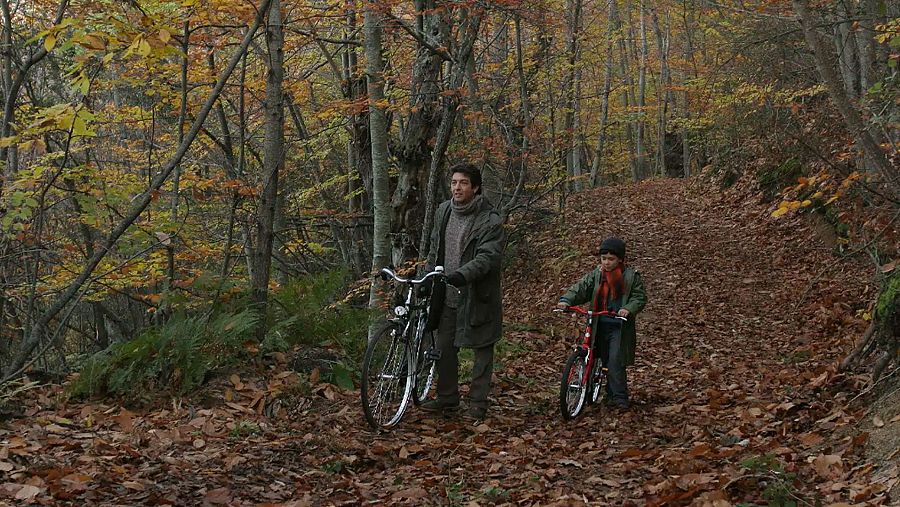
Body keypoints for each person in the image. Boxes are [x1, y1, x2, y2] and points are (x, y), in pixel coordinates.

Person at [421, 163, 505, 421]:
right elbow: (435, 248)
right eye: (454, 182)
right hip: (446, 293)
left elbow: (488, 257)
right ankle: (447, 397)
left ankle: (478, 403)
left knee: (482, 349)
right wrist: (427, 277)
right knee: (444, 347)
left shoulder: (490, 220)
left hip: (478, 295)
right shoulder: (443, 211)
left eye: (464, 183)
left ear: (475, 188)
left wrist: (462, 275)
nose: (457, 188)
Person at [556, 237, 647, 410]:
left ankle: (619, 397)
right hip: (598, 323)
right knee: (596, 355)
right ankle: (590, 388)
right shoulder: (597, 275)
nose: (606, 262)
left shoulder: (630, 276)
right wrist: (566, 300)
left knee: (614, 361)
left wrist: (627, 308)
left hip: (619, 325)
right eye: (603, 258)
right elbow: (582, 288)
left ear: (620, 259)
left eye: (611, 259)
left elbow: (639, 297)